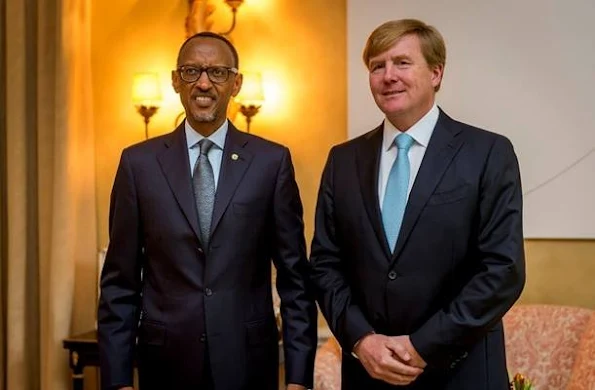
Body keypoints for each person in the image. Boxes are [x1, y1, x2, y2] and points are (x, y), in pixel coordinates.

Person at [310, 19, 525, 390]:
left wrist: (423, 346)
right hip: (368, 375)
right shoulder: (343, 161)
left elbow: (502, 271)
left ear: (436, 73)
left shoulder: (488, 153)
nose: (388, 75)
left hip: (461, 373)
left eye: (402, 63)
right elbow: (326, 265)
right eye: (377, 66)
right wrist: (362, 340)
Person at [98, 31, 317, 390]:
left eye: (217, 72)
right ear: (174, 81)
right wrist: (117, 380)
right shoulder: (138, 164)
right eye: (190, 71)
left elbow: (295, 279)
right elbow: (120, 283)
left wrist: (298, 378)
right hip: (165, 364)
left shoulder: (271, 162)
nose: (203, 83)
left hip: (247, 363)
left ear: (236, 83)